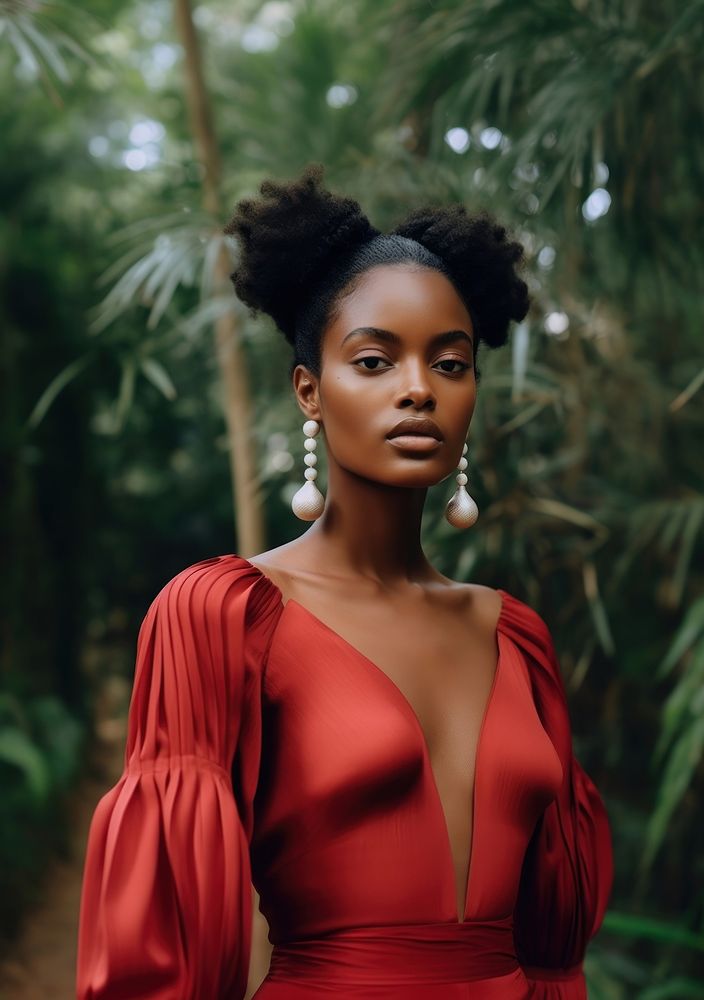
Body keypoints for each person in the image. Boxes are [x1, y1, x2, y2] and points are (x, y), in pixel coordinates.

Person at [76, 163, 613, 999]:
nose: (415, 391)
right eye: (373, 360)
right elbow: (164, 951)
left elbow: (554, 964)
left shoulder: (517, 637)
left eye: (449, 363)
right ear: (309, 391)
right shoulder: (223, 616)